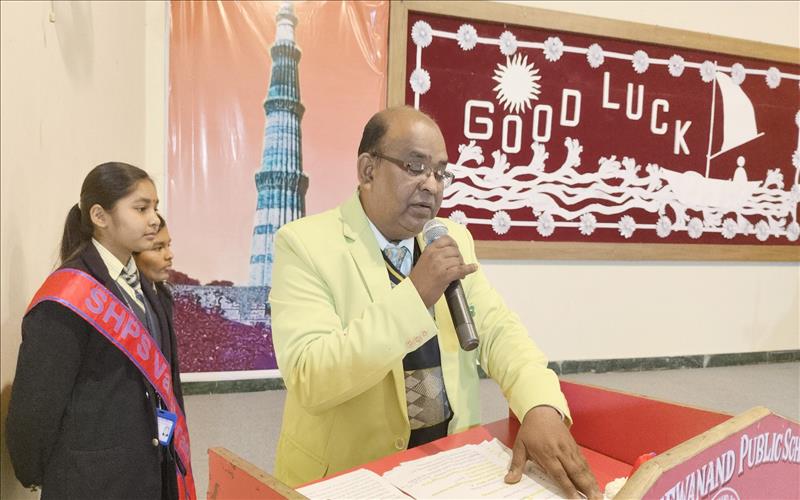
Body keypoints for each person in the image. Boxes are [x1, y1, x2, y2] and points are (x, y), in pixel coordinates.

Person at [269, 106, 601, 498]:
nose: (431, 185)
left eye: (440, 172)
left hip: (446, 465)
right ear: (368, 170)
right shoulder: (305, 244)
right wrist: (416, 295)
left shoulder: (450, 239)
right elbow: (310, 376)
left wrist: (539, 406)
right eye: (415, 167)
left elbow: (498, 331)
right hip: (351, 477)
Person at [6, 162, 195, 499]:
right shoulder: (67, 297)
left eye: (155, 208)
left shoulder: (149, 289)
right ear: (99, 216)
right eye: (141, 208)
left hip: (149, 472)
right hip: (93, 482)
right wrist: (34, 471)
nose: (154, 219)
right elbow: (37, 404)